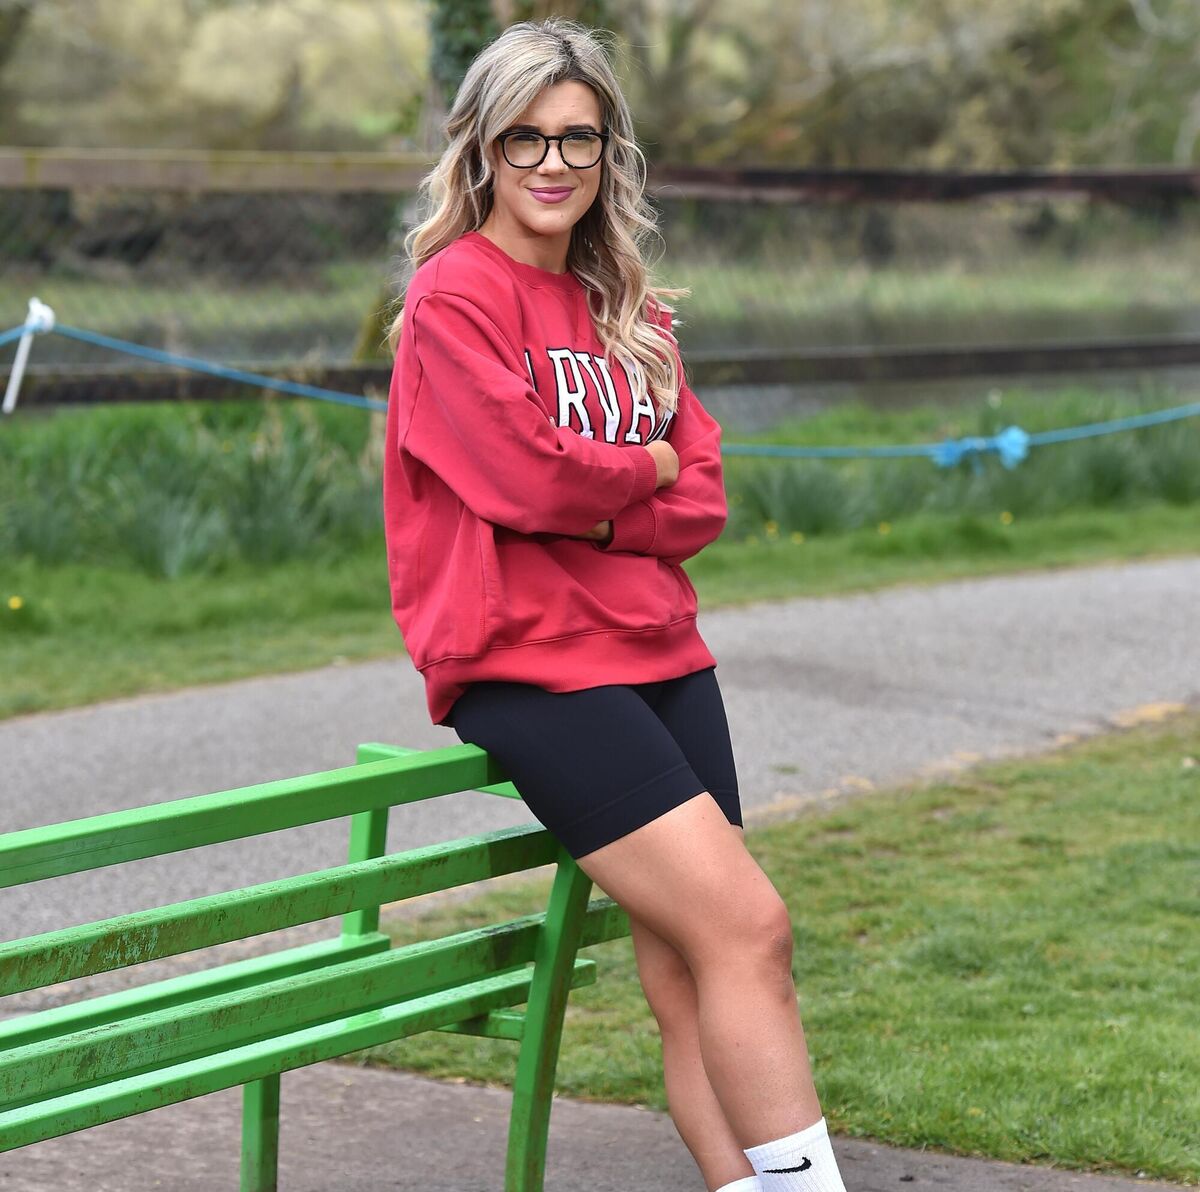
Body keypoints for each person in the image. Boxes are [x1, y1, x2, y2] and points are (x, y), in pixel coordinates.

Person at [382, 18, 850, 1192]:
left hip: (661, 646)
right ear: (482, 148)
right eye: (525, 138)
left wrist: (603, 503)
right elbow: (521, 478)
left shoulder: (625, 302)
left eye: (577, 138)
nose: (553, 163)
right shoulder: (452, 299)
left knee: (695, 965)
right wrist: (637, 472)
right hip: (530, 663)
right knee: (752, 927)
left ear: (608, 151)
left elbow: (702, 495)